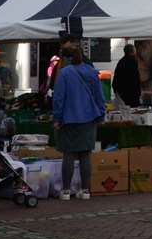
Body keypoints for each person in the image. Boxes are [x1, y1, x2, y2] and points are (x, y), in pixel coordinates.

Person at [52, 45, 106, 200]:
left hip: (69, 119)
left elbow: (59, 98)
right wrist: (101, 113)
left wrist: (57, 118)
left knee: (68, 153)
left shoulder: (64, 73)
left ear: (66, 58)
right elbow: (99, 96)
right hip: (89, 118)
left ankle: (66, 191)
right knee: (85, 154)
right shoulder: (91, 71)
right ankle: (86, 190)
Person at [113, 43, 142, 107]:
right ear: (132, 52)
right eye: (135, 50)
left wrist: (116, 89)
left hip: (123, 92)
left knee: (125, 110)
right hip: (132, 92)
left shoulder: (121, 62)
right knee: (133, 111)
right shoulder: (133, 61)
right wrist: (138, 92)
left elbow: (116, 76)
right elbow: (135, 78)